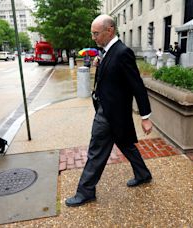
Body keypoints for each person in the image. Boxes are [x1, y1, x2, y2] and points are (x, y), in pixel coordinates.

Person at [65, 15, 153, 207]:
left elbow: (137, 86)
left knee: (96, 151)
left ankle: (85, 192)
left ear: (109, 30)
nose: (93, 37)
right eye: (92, 33)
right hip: (109, 110)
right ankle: (143, 174)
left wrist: (145, 117)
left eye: (96, 33)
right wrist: (101, 63)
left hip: (110, 114)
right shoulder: (106, 52)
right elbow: (112, 77)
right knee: (125, 143)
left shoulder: (123, 52)